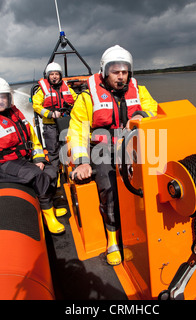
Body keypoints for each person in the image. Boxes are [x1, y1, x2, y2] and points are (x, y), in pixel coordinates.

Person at [67, 45, 158, 265]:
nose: (120, 76)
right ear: (104, 72)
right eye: (115, 71)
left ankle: (149, 226)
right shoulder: (87, 98)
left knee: (155, 176)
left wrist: (141, 115)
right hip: (102, 149)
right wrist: (81, 162)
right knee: (109, 190)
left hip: (131, 144)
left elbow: (154, 110)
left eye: (124, 71)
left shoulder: (140, 90)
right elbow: (77, 131)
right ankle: (113, 239)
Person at [0, 75, 65, 235]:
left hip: (20, 159)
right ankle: (48, 215)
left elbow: (32, 137)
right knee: (37, 175)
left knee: (51, 169)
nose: (0, 101)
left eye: (4, 96)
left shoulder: (14, 114)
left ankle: (49, 202)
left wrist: (38, 158)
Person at [32, 62, 78, 217]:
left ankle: (69, 171)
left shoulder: (67, 88)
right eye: (51, 74)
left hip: (66, 123)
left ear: (60, 75)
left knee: (69, 148)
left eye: (57, 74)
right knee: (52, 152)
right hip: (51, 126)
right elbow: (37, 106)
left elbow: (77, 99)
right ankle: (55, 177)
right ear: (48, 76)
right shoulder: (41, 91)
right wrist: (51, 114)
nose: (54, 76)